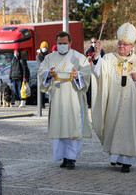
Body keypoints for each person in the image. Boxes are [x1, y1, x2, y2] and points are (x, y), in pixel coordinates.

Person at [91, 23, 136, 173]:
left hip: (133, 104)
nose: (121, 47)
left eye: (125, 44)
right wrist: (97, 54)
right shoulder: (109, 58)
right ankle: (115, 158)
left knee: (128, 130)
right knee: (113, 128)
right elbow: (97, 71)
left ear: (132, 46)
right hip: (114, 102)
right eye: (120, 43)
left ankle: (127, 162)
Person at [38, 31, 92, 169]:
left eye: (64, 43)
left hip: (74, 98)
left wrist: (77, 74)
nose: (62, 45)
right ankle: (63, 157)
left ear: (70, 43)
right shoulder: (50, 58)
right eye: (59, 43)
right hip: (57, 99)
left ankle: (72, 158)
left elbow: (86, 73)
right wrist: (47, 74)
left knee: (73, 128)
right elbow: (41, 72)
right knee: (60, 129)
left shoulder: (79, 58)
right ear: (56, 44)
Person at [85, 37, 105, 108]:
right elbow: (84, 61)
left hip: (98, 72)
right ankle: (89, 102)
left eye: (94, 42)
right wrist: (87, 59)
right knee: (89, 88)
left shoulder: (101, 51)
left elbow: (103, 59)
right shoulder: (88, 51)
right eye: (92, 42)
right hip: (90, 71)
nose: (93, 44)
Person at [36, 41, 49, 108]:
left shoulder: (48, 55)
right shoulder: (39, 56)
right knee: (41, 90)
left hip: (48, 74)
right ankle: (41, 104)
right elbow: (40, 64)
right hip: (42, 74)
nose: (44, 49)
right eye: (43, 47)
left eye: (45, 47)